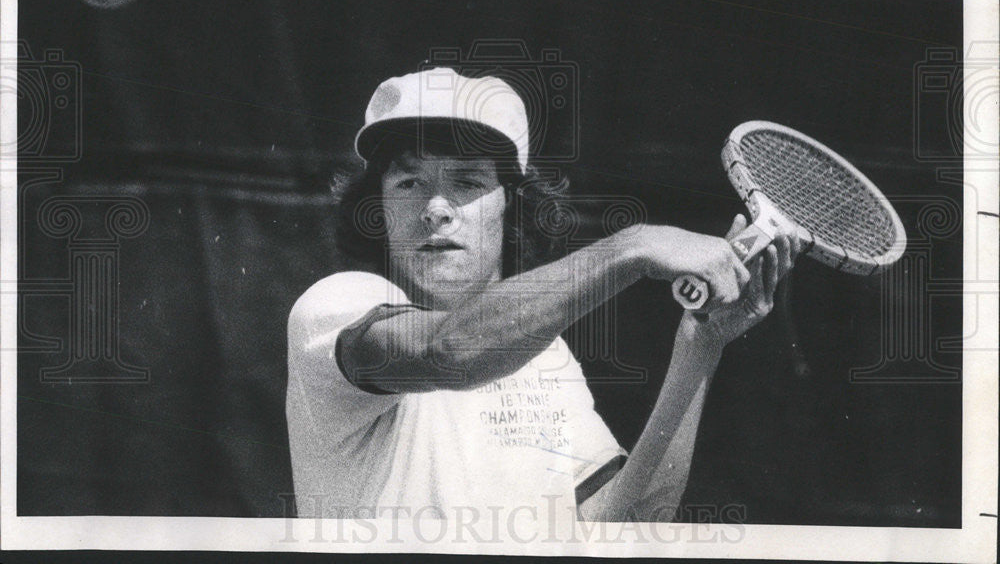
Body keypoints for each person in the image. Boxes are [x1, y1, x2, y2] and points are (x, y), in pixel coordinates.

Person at [286, 67, 800, 524]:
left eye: (466, 180)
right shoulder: (337, 304)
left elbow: (634, 523)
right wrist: (632, 245)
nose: (436, 207)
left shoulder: (547, 357)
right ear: (376, 207)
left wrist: (701, 345)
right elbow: (446, 350)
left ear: (513, 206)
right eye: (408, 182)